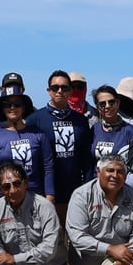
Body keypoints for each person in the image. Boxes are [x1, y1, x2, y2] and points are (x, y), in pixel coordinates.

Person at [30, 68, 93, 210]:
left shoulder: (80, 120)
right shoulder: (35, 120)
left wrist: (88, 187)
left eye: (64, 88)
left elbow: (86, 159)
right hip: (45, 193)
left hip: (75, 191)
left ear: (70, 91)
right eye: (55, 87)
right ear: (48, 90)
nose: (60, 91)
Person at [0, 83, 53, 203]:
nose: (12, 108)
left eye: (17, 104)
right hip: (2, 197)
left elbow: (48, 168)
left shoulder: (38, 135)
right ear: (2, 109)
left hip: (34, 196)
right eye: (7, 105)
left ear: (23, 108)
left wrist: (50, 197)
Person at [85, 85, 133, 163]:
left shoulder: (130, 131)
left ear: (118, 103)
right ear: (97, 107)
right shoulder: (94, 129)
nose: (107, 106)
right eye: (102, 104)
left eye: (111, 102)